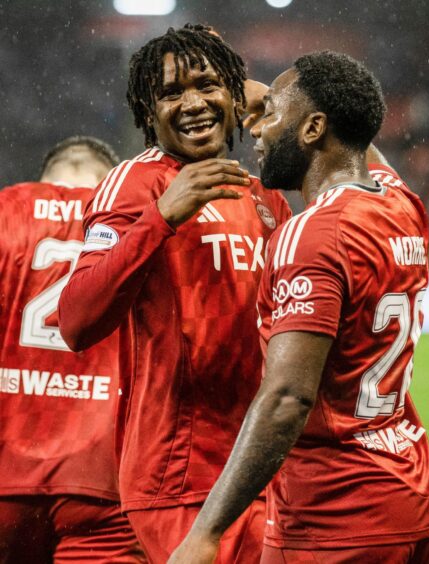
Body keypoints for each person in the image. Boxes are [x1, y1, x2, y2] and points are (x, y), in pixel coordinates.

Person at [169, 50, 429, 564]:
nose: (257, 128)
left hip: (333, 520)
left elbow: (288, 398)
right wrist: (276, 97)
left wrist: (207, 532)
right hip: (409, 502)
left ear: (313, 128)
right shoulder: (399, 205)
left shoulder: (313, 234)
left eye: (271, 114)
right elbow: (361, 146)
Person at [58, 24, 291, 563]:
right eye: (169, 93)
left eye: (208, 85)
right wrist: (159, 220)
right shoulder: (135, 185)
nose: (192, 104)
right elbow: (75, 321)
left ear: (234, 94)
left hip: (260, 466)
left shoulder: (259, 194)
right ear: (148, 109)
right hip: (184, 478)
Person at [0, 136, 145, 562]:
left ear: (44, 178)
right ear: (110, 180)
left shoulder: (7, 210)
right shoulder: (135, 224)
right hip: (103, 479)